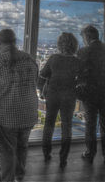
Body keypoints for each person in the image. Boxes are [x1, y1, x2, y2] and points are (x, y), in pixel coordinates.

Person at [0, 29, 38, 182]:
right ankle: (19, 174)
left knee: (7, 150)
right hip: (29, 112)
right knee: (22, 145)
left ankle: (6, 179)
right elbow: (36, 82)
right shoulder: (30, 59)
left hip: (5, 115)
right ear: (15, 41)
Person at [38, 32, 80, 168]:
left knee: (49, 125)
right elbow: (81, 79)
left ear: (60, 44)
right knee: (67, 126)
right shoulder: (76, 61)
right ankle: (63, 158)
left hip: (53, 95)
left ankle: (46, 153)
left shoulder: (54, 58)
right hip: (69, 96)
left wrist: (43, 90)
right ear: (74, 45)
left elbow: (43, 75)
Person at [77, 25, 105, 164]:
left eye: (83, 37)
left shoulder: (83, 51)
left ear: (87, 37)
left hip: (90, 93)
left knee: (90, 124)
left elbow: (79, 72)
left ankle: (90, 153)